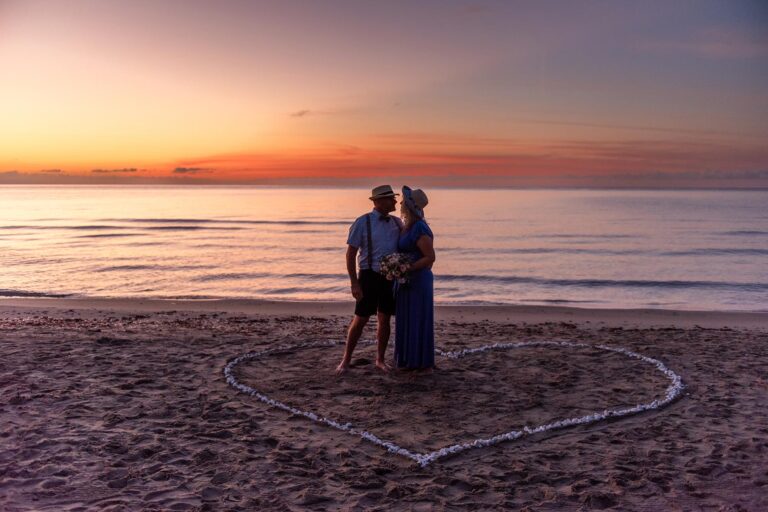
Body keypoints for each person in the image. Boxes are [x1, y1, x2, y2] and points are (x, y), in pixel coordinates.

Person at [335, 185, 403, 375]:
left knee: (385, 318)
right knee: (361, 319)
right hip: (368, 276)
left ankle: (380, 359)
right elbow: (350, 254)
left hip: (390, 278)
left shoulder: (397, 223)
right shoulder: (362, 222)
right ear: (380, 202)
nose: (395, 202)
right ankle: (346, 359)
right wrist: (354, 282)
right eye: (391, 199)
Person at [394, 186, 436, 370]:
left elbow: (430, 257)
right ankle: (407, 358)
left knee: (417, 317)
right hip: (406, 280)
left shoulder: (419, 227)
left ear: (410, 206)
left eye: (403, 200)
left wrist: (407, 267)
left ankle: (419, 360)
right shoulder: (407, 226)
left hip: (418, 280)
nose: (400, 203)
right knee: (406, 316)